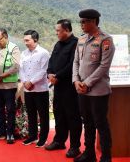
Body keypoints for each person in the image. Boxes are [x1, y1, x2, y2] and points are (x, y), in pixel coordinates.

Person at [73, 9, 115, 162]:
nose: (81, 24)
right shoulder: (81, 39)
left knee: (101, 124)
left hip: (98, 91)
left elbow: (104, 66)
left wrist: (87, 83)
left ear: (93, 22)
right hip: (82, 90)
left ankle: (106, 157)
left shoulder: (105, 40)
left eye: (84, 21)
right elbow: (76, 62)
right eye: (81, 22)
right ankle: (89, 154)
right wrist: (76, 81)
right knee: (88, 123)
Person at [45, 20, 82, 158]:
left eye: (58, 31)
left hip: (70, 86)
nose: (56, 33)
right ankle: (59, 141)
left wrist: (58, 76)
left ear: (66, 30)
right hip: (58, 86)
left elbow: (73, 64)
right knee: (59, 114)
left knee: (73, 117)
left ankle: (75, 147)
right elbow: (51, 61)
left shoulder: (76, 43)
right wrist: (49, 73)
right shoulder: (57, 44)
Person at [0, 28, 20, 144]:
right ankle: (1, 131)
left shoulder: (14, 48)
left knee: (10, 109)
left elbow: (15, 67)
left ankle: (10, 132)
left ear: (5, 37)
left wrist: (1, 76)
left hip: (9, 86)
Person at [20, 30, 50, 148]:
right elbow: (21, 69)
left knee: (43, 115)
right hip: (28, 89)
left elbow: (43, 71)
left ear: (35, 40)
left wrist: (31, 82)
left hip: (40, 89)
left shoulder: (44, 53)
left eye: (28, 40)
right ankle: (32, 136)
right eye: (24, 40)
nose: (26, 43)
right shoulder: (24, 53)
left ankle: (43, 138)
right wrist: (25, 82)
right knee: (31, 114)